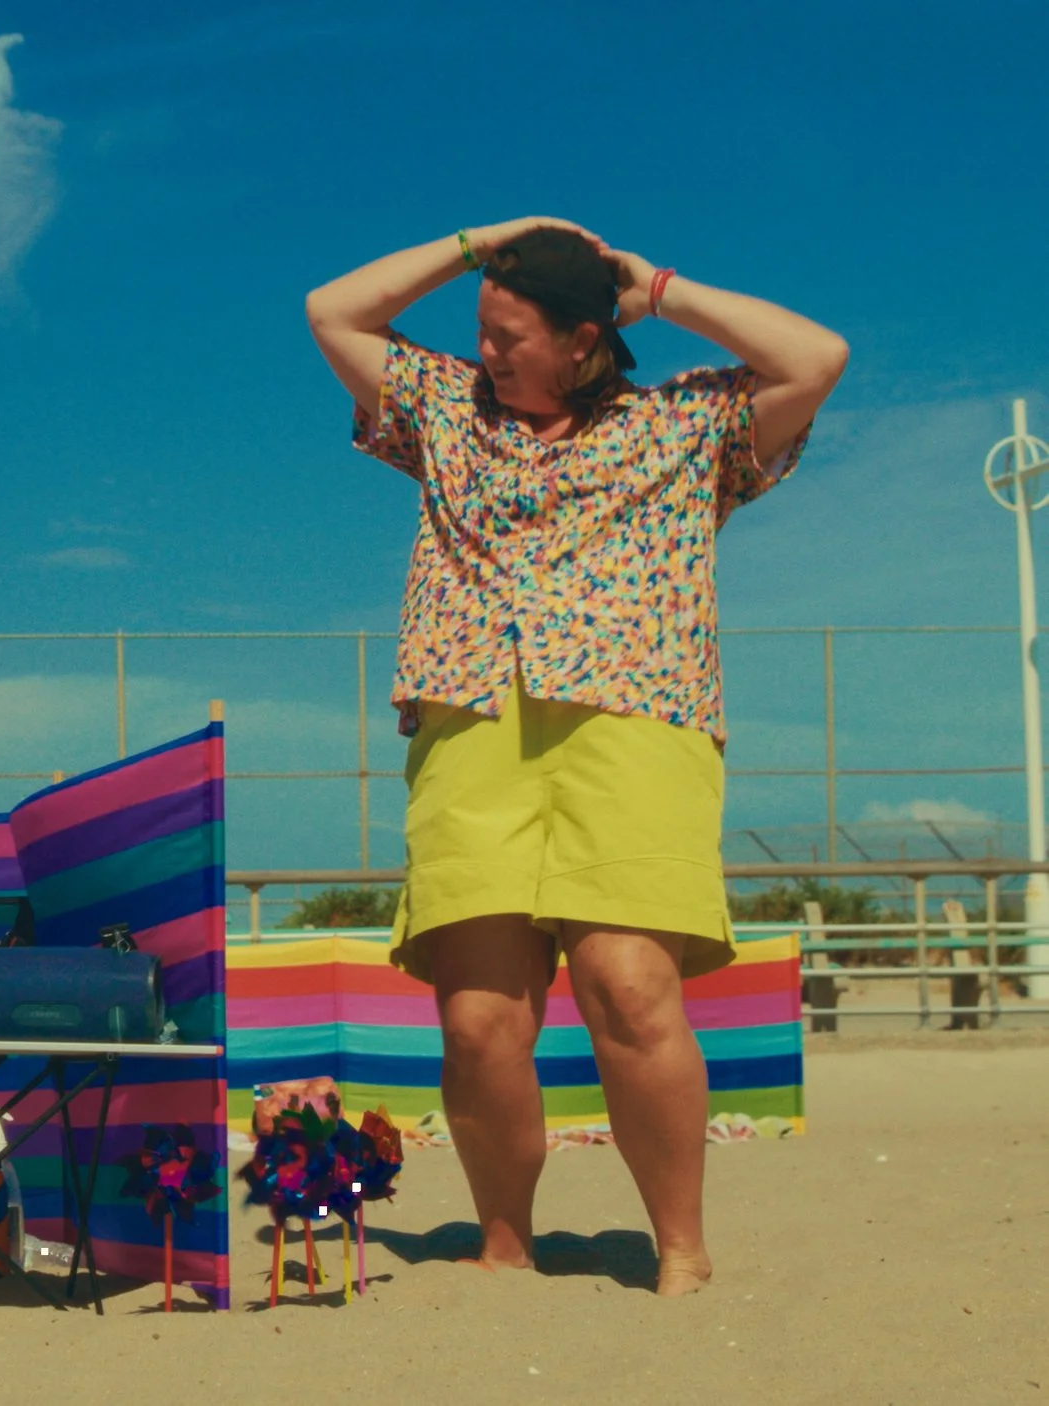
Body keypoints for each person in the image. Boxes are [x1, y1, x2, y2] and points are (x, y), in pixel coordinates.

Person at [305, 219, 848, 1296]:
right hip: (470, 718)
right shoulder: (444, 410)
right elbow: (333, 310)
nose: (487, 350)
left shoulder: (687, 426)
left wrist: (657, 285)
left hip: (636, 720)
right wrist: (480, 244)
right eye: (481, 330)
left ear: (584, 340)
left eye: (509, 334)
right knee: (478, 1015)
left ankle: (679, 1246)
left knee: (628, 984)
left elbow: (815, 358)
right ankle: (505, 1235)